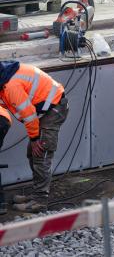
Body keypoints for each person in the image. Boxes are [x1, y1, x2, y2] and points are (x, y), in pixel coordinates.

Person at [0, 61, 68, 213]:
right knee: (32, 153)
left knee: (40, 154)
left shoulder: (11, 86)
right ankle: (36, 194)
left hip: (54, 109)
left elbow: (29, 116)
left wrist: (35, 139)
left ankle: (40, 201)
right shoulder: (5, 76)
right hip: (48, 109)